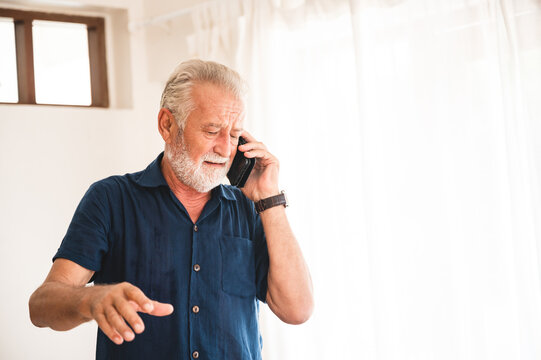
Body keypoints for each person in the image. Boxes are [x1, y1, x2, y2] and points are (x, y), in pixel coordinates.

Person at [28, 59, 313, 359]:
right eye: (212, 130)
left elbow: (297, 309)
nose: (226, 149)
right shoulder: (110, 199)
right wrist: (90, 299)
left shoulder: (250, 208)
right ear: (167, 124)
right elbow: (42, 305)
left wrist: (269, 199)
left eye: (233, 134)